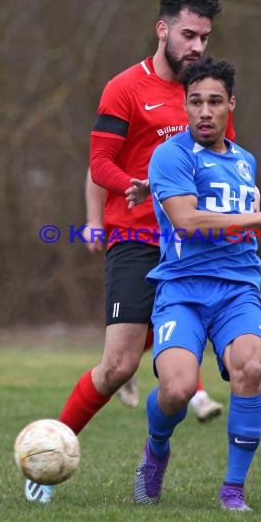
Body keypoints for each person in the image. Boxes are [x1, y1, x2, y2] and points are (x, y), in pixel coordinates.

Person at [24, 0, 261, 504]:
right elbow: (99, 162)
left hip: (205, 246)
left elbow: (226, 162)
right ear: (162, 29)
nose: (197, 46)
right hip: (140, 235)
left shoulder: (207, 91)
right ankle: (47, 453)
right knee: (119, 365)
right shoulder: (124, 87)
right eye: (188, 34)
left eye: (205, 36)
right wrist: (126, 191)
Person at [133, 56, 261, 511]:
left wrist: (257, 214)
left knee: (249, 365)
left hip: (237, 291)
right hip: (182, 289)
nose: (205, 111)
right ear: (184, 106)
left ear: (231, 106)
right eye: (196, 102)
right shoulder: (169, 154)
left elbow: (237, 212)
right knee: (178, 390)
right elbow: (185, 221)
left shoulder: (246, 162)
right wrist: (260, 216)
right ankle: (156, 450)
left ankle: (233, 489)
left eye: (215, 102)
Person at [81, 171, 224, 421]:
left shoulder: (204, 133)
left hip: (185, 238)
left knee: (183, 318)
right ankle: (133, 371)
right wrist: (94, 221)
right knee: (131, 345)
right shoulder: (128, 134)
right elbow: (97, 167)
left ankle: (198, 396)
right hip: (136, 241)